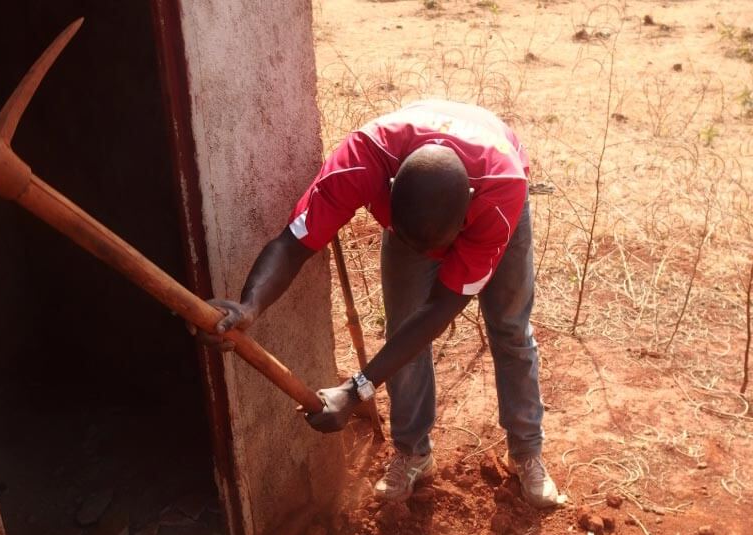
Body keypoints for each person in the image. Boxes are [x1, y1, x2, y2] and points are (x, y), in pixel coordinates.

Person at [194, 99, 560, 508]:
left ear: (465, 216)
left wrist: (355, 391)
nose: (431, 257)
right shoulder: (363, 161)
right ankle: (413, 452)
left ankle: (527, 452)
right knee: (402, 324)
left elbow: (440, 309)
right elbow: (294, 242)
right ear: (388, 191)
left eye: (437, 246)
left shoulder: (498, 193)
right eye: (408, 239)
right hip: (422, 209)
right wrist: (249, 307)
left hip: (497, 197)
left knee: (509, 327)